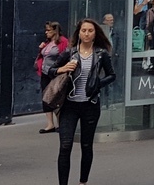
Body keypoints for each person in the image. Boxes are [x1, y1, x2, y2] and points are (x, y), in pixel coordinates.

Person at [52, 19, 116, 185]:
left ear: (95, 34)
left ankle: (83, 182)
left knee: (86, 146)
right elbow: (49, 69)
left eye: (90, 31)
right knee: (65, 146)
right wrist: (62, 69)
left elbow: (112, 75)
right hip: (69, 105)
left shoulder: (101, 54)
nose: (87, 34)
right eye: (84, 30)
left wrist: (98, 84)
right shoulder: (69, 53)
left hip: (90, 105)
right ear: (78, 33)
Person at [36, 22, 69, 134]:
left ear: (55, 31)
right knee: (46, 97)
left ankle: (61, 122)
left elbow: (66, 56)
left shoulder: (63, 41)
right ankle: (50, 124)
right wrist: (40, 49)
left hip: (56, 73)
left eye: (49, 30)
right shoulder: (47, 43)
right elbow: (43, 56)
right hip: (45, 72)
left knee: (57, 96)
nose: (46, 32)